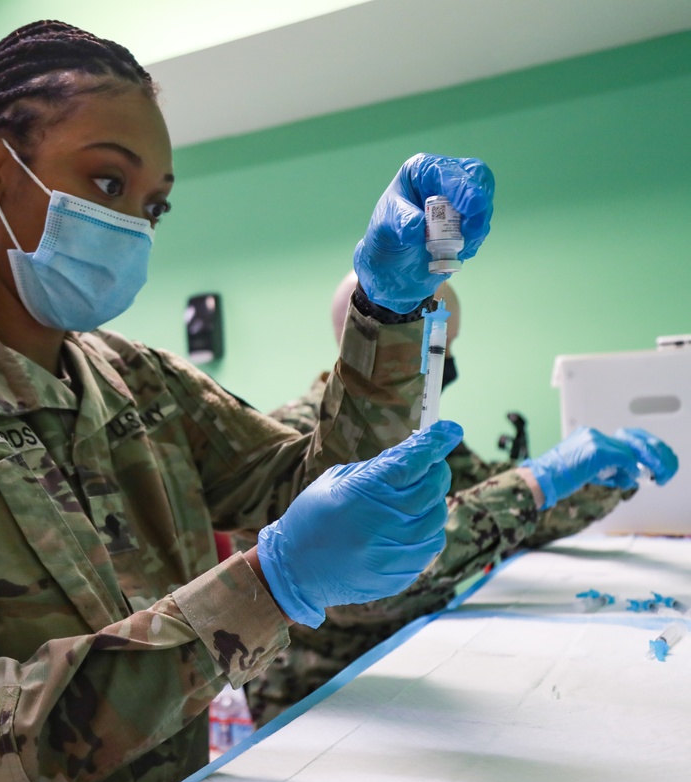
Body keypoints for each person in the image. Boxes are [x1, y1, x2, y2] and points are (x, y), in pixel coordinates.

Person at [0, 21, 497, 782]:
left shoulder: (134, 376)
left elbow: (322, 488)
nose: (134, 226)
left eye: (154, 208)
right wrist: (266, 587)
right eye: (109, 184)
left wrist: (388, 310)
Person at [241, 272, 680, 726]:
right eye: (441, 346)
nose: (448, 362)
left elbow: (502, 504)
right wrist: (535, 482)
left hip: (408, 663)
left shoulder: (412, 429)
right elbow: (375, 584)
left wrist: (600, 480)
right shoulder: (297, 439)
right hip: (318, 695)